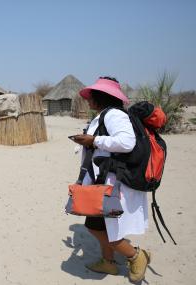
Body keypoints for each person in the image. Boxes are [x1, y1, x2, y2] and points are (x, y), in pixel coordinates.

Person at [71, 76, 151, 282]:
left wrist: (93, 139)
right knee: (96, 225)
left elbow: (126, 142)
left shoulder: (114, 115)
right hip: (101, 182)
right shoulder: (105, 115)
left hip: (112, 183)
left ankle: (135, 255)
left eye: (91, 97)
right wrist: (87, 142)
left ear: (102, 97)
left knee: (111, 230)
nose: (88, 100)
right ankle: (109, 262)